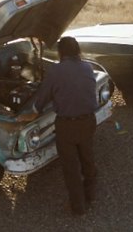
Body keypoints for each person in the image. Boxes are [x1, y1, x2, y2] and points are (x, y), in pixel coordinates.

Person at [21, 36, 98, 216]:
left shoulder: (56, 71)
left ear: (60, 52)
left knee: (71, 167)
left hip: (67, 126)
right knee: (87, 157)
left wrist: (32, 111)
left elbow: (42, 97)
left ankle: (78, 207)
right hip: (88, 121)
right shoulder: (88, 67)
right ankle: (91, 194)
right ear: (78, 51)